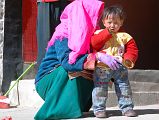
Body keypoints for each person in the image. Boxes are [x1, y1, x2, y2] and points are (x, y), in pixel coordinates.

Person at [34, 0, 104, 119]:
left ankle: (75, 106)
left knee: (99, 71)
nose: (96, 20)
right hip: (48, 82)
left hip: (63, 77)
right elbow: (67, 62)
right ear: (83, 15)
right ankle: (58, 109)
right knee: (69, 69)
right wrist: (94, 58)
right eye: (92, 15)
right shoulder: (63, 34)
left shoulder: (88, 35)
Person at [90, 5, 139, 118]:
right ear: (104, 22)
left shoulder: (125, 36)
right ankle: (99, 109)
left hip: (120, 67)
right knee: (100, 88)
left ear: (121, 22)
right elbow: (94, 44)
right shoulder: (99, 33)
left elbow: (132, 49)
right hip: (102, 67)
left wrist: (127, 59)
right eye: (109, 22)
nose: (113, 25)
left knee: (124, 88)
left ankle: (127, 108)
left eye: (116, 22)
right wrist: (107, 33)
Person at [36, 0, 72, 68]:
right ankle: (44, 74)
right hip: (47, 2)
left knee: (67, 39)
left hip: (67, 3)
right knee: (46, 41)